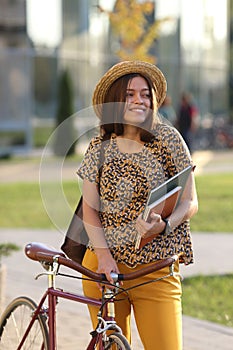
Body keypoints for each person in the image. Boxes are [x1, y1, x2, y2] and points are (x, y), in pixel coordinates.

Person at [77, 61, 198, 350]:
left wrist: (166, 224)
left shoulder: (169, 140)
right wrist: (104, 259)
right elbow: (90, 210)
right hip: (103, 270)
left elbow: (190, 201)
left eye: (145, 94)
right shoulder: (99, 147)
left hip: (155, 269)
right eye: (130, 94)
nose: (138, 100)